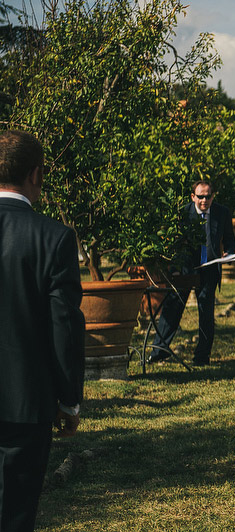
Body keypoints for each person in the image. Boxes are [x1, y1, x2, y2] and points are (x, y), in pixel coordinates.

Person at [0, 130, 85, 532]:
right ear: (36, 174)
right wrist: (69, 401)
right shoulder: (55, 238)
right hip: (25, 404)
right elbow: (64, 326)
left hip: (25, 407)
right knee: (16, 515)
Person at [148, 180, 235, 367]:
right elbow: (174, 244)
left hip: (209, 269)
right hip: (185, 269)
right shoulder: (182, 215)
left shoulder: (222, 213)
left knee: (206, 312)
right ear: (193, 197)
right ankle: (159, 352)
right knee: (172, 308)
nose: (204, 200)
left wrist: (228, 252)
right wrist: (176, 269)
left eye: (208, 196)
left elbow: (229, 239)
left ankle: (202, 357)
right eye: (200, 196)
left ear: (213, 196)